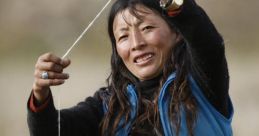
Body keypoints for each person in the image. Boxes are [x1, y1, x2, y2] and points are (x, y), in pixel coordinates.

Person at [27, 0, 234, 135]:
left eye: (147, 28)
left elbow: (209, 44)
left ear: (178, 32)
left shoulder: (202, 85)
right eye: (124, 36)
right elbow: (51, 131)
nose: (136, 43)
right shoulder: (108, 105)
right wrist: (40, 93)